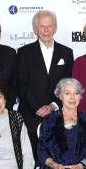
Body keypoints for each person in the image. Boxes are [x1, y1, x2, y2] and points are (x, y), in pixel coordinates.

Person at [17, 10, 74, 154]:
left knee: (57, 158)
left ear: (55, 27)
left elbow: (68, 85)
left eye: (49, 26)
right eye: (42, 26)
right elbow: (21, 84)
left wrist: (53, 105)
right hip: (30, 115)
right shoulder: (24, 52)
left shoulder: (66, 52)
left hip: (58, 115)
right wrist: (37, 107)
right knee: (32, 159)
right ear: (35, 29)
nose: (46, 30)